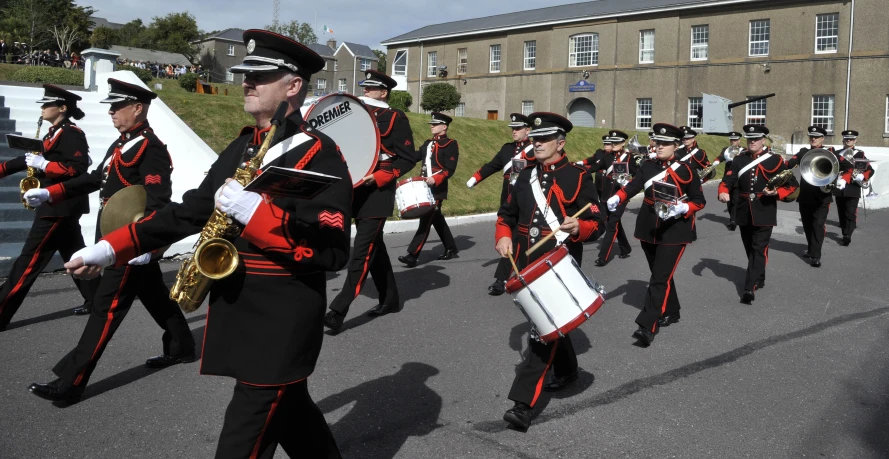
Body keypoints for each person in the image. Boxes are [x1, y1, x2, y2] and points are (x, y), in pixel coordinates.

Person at [60, 30, 350, 458]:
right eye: (245, 74)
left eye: (260, 76)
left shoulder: (320, 154)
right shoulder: (242, 146)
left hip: (280, 321)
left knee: (245, 433)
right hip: (239, 308)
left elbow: (331, 249)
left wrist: (258, 214)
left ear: (293, 85)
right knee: (294, 415)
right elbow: (190, 211)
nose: (247, 82)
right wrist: (111, 247)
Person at [24, 78, 195, 403]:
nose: (113, 113)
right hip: (116, 236)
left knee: (105, 308)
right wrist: (51, 191)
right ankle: (181, 345)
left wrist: (147, 245)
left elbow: (157, 200)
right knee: (156, 295)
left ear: (138, 108)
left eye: (118, 107)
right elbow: (93, 180)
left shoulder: (151, 149)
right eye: (111, 107)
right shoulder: (122, 144)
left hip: (131, 241)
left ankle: (71, 381)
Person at [495, 112, 606, 430]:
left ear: (561, 141)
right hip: (526, 262)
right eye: (535, 138)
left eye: (544, 139)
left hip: (558, 265)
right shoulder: (523, 174)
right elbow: (506, 214)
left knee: (542, 330)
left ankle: (522, 404)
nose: (537, 143)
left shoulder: (578, 176)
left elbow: (598, 223)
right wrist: (503, 237)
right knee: (549, 324)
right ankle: (569, 371)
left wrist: (578, 227)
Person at [324, 69, 417, 333]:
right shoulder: (354, 112)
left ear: (384, 92)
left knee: (361, 250)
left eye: (371, 88)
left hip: (376, 191)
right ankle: (390, 299)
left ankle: (337, 310)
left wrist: (378, 177)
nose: (365, 90)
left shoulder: (394, 117)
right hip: (351, 188)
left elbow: (408, 158)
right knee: (374, 246)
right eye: (364, 87)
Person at [0, 85, 100, 330]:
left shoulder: (72, 133)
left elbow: (76, 168)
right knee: (75, 253)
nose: (43, 108)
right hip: (58, 206)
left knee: (29, 261)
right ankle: (99, 301)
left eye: (47, 104)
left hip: (59, 205)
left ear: (62, 108)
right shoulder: (52, 134)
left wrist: (45, 164)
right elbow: (26, 159)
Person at [606, 123, 705, 346]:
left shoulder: (686, 170)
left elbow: (699, 201)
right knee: (661, 274)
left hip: (675, 230)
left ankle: (647, 325)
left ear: (676, 145)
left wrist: (685, 208)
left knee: (659, 278)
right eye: (657, 142)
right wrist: (619, 197)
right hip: (649, 226)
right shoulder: (648, 166)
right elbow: (633, 186)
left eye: (665, 143)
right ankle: (673, 310)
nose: (659, 146)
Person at [718, 125, 797, 304]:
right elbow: (728, 179)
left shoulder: (774, 160)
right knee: (749, 248)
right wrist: (723, 190)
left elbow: (792, 185)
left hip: (765, 209)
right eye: (750, 138)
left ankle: (749, 288)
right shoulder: (739, 160)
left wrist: (777, 193)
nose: (752, 141)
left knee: (758, 249)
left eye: (756, 138)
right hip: (744, 210)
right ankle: (758, 276)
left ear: (763, 140)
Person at [466, 113, 533, 295]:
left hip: (528, 200)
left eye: (518, 128)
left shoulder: (535, 149)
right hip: (508, 201)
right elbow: (492, 165)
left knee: (518, 237)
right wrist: (476, 178)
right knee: (510, 236)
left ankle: (501, 279)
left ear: (528, 129)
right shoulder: (507, 149)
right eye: (513, 128)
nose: (514, 131)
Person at [398, 112, 460, 267]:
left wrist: (436, 179)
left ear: (444, 127)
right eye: (431, 124)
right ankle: (451, 248)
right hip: (424, 188)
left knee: (425, 221)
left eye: (435, 124)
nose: (432, 126)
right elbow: (414, 156)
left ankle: (412, 255)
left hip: (437, 188)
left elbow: (449, 169)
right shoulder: (427, 144)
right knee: (436, 219)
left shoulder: (451, 144)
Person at [786, 126, 851, 267]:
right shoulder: (804, 152)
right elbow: (789, 164)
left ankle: (816, 255)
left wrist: (841, 179)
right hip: (805, 195)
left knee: (818, 225)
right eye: (811, 136)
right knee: (807, 225)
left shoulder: (830, 152)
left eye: (816, 137)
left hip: (823, 196)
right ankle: (810, 249)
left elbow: (848, 166)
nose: (813, 139)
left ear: (822, 138)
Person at [592, 130, 636, 266]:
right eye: (613, 142)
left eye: (617, 142)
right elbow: (597, 166)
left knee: (612, 224)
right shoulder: (607, 156)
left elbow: (637, 175)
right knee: (609, 222)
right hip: (606, 195)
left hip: (620, 196)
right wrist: (580, 168)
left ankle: (603, 257)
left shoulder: (629, 157)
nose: (614, 144)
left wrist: (627, 181)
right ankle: (625, 247)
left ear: (623, 143)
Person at [833, 130, 875, 246]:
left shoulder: (860, 154)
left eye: (851, 139)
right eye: (846, 139)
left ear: (855, 141)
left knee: (850, 213)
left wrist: (863, 176)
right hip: (840, 187)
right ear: (843, 140)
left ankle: (847, 235)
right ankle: (844, 231)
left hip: (853, 187)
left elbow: (870, 170)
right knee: (841, 212)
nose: (848, 141)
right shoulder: (837, 154)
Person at [711, 131, 743, 230]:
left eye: (735, 140)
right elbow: (720, 157)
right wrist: (715, 163)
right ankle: (732, 218)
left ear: (739, 140)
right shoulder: (726, 150)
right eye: (731, 140)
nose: (733, 141)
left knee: (736, 199)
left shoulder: (743, 150)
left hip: (738, 178)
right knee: (729, 200)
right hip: (728, 178)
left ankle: (733, 221)